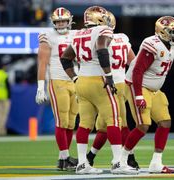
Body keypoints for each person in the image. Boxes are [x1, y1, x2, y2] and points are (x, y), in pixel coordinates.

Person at [59, 6, 138, 175]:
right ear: (99, 19)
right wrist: (108, 75)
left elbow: (65, 58)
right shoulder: (103, 31)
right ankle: (117, 162)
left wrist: (74, 78)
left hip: (82, 81)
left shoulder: (78, 33)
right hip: (99, 80)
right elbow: (102, 48)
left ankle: (82, 163)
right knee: (114, 120)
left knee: (85, 124)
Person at [119, 16, 174, 174]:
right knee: (143, 125)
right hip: (138, 86)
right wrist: (139, 95)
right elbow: (138, 70)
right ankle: (121, 160)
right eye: (172, 32)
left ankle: (156, 163)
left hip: (154, 89)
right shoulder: (152, 44)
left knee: (165, 122)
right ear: (162, 32)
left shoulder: (173, 44)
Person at [86, 11, 139, 169]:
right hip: (120, 83)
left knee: (117, 124)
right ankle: (91, 156)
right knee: (107, 125)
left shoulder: (98, 39)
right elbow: (134, 62)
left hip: (106, 82)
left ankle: (128, 158)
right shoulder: (122, 37)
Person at [35, 7, 78, 171]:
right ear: (53, 22)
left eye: (63, 21)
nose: (60, 24)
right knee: (61, 121)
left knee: (70, 122)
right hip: (57, 80)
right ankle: (65, 157)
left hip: (75, 80)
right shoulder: (47, 36)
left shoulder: (77, 35)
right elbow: (43, 62)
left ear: (69, 21)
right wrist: (40, 87)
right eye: (57, 21)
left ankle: (63, 159)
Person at [0, 62, 11, 136]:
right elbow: (8, 87)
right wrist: (9, 97)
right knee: (3, 114)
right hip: (4, 97)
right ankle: (1, 130)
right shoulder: (4, 75)